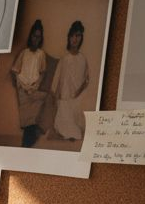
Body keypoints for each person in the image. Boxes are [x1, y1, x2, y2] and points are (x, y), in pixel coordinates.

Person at [10, 19, 49, 147]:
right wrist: (22, 85)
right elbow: (15, 71)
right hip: (22, 89)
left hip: (34, 89)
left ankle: (31, 139)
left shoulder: (41, 54)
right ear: (30, 36)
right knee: (28, 122)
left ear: (41, 39)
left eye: (38, 37)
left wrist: (34, 87)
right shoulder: (24, 53)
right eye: (34, 36)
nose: (36, 39)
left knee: (46, 101)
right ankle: (28, 144)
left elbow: (43, 73)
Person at [52, 21, 90, 140]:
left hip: (78, 98)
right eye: (73, 35)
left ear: (81, 38)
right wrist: (57, 97)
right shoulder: (64, 59)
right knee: (65, 123)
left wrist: (78, 93)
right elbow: (58, 81)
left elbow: (86, 80)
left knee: (76, 128)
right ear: (69, 37)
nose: (75, 39)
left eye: (78, 36)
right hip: (64, 99)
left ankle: (72, 129)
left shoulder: (83, 59)